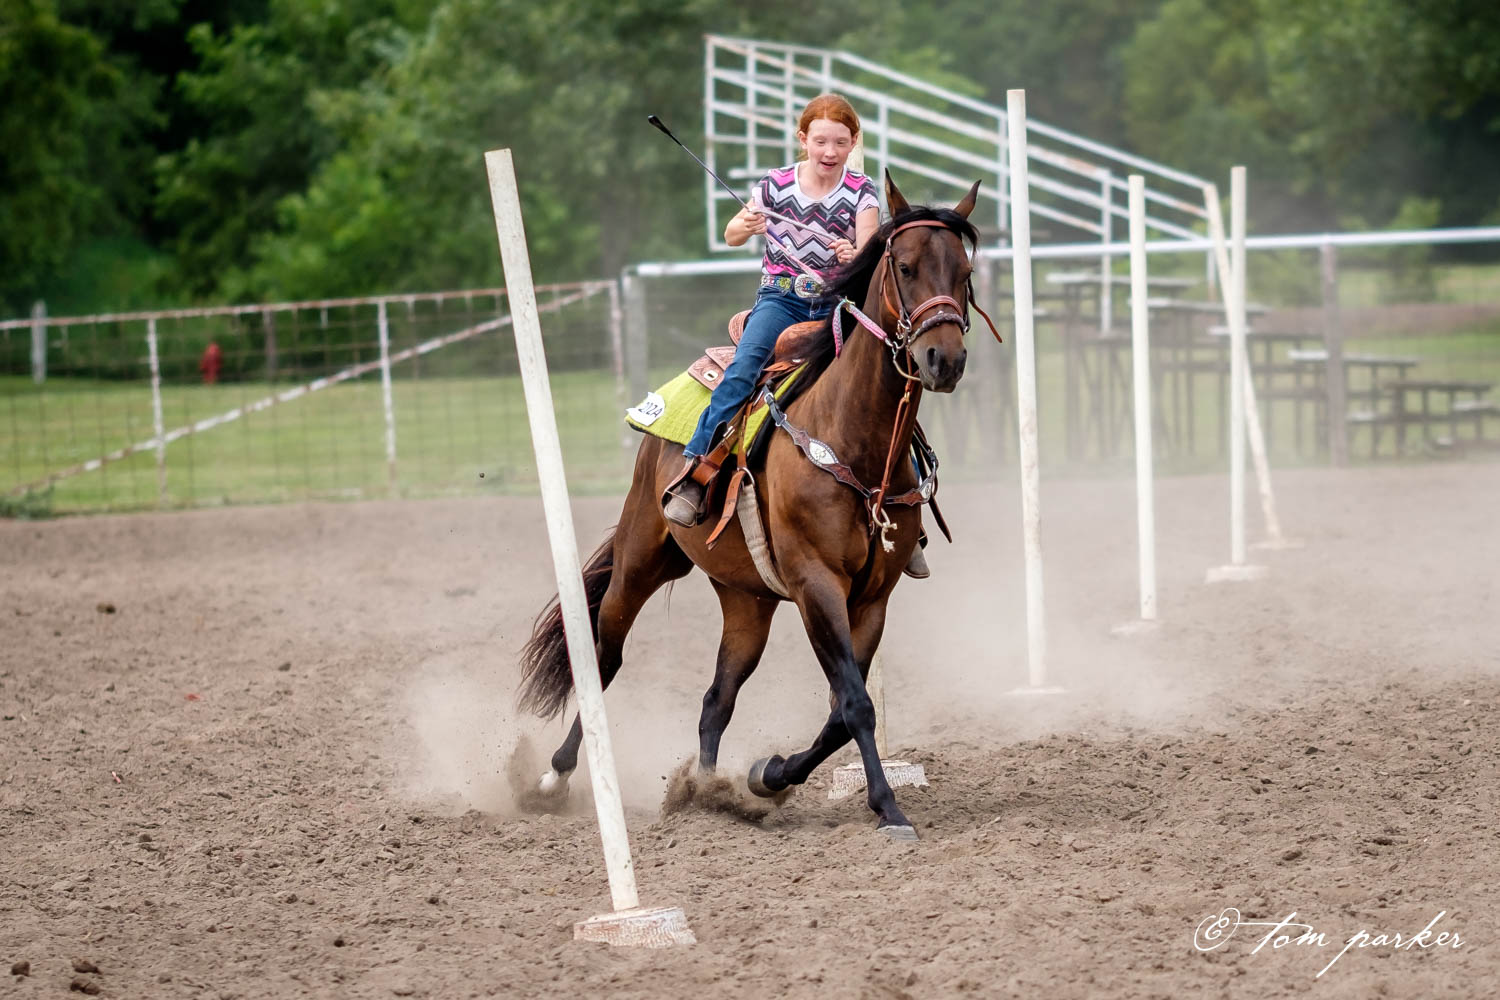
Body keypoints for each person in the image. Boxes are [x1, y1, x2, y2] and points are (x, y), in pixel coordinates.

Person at [664, 94, 876, 516]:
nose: (829, 152)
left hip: (837, 301)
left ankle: (904, 487)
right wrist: (747, 224)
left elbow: (869, 251)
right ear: (803, 139)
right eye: (820, 141)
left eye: (839, 142)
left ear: (853, 143)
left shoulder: (861, 190)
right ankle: (697, 468)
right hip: (782, 298)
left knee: (878, 374)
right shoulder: (775, 184)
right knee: (744, 369)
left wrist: (854, 255)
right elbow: (731, 236)